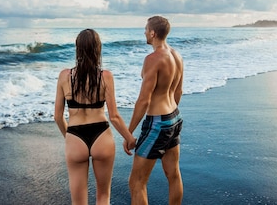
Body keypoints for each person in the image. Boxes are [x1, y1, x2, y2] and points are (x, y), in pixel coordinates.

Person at [55, 29, 136, 205]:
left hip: (75, 136)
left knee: (78, 201)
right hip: (102, 135)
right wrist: (129, 138)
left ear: (78, 49)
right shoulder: (105, 76)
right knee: (103, 196)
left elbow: (57, 116)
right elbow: (114, 116)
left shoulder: (64, 76)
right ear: (97, 49)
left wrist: (69, 136)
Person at [123, 16, 184, 205]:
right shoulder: (176, 55)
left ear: (153, 33)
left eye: (145, 29)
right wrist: (170, 117)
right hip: (174, 117)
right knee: (173, 174)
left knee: (136, 182)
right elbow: (178, 90)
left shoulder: (153, 59)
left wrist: (129, 132)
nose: (144, 32)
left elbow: (143, 100)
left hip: (157, 123)